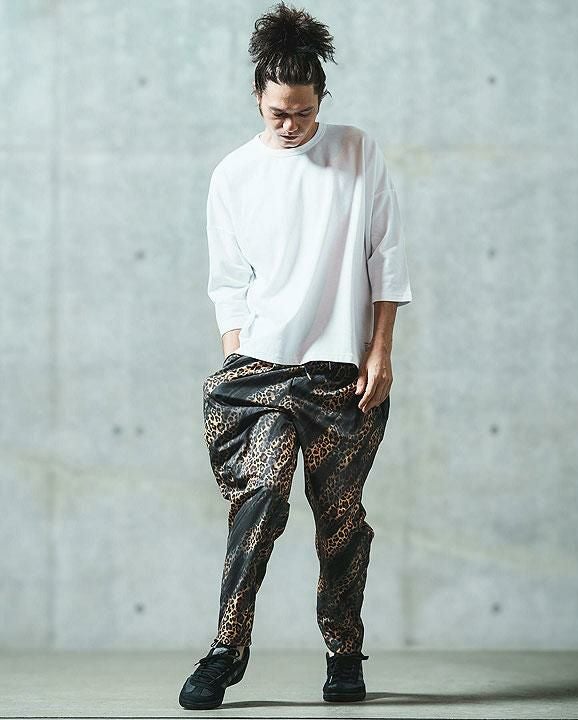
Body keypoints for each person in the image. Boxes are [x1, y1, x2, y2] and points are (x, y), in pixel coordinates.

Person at [178, 0, 412, 711]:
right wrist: (238, 356)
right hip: (264, 372)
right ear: (257, 96)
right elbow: (228, 284)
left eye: (304, 112)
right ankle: (226, 650)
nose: (291, 125)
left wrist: (380, 350)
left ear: (321, 100)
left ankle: (344, 653)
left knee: (341, 521)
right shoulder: (233, 175)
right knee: (260, 498)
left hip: (341, 374)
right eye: (279, 112)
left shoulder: (357, 152)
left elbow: (386, 256)